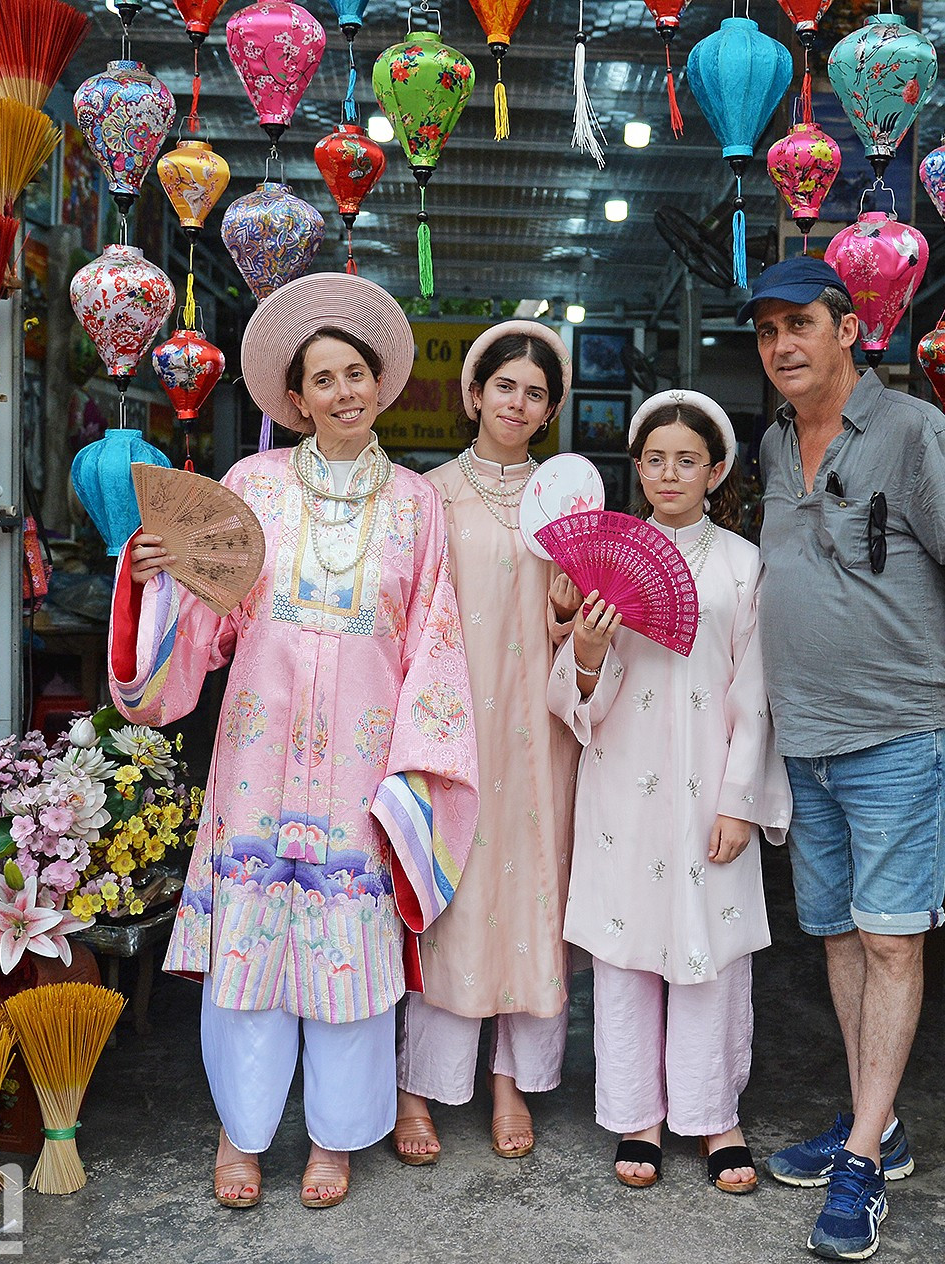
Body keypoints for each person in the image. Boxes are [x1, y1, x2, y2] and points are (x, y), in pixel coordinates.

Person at [109, 273, 479, 1211]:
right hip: (259, 759)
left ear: (381, 382)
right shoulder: (252, 489)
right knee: (251, 954)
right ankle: (242, 1133)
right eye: (324, 379)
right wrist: (150, 577)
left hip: (362, 765)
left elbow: (435, 641)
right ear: (297, 396)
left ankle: (334, 1136)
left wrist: (414, 772)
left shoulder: (415, 504)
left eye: (357, 372)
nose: (344, 391)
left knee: (350, 956)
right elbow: (207, 625)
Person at [741, 257, 945, 1260]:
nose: (782, 347)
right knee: (842, 941)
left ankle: (858, 1159)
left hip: (894, 735)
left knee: (891, 939)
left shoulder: (913, 432)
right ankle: (875, 1123)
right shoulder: (772, 446)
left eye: (800, 324)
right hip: (802, 737)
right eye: (767, 332)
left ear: (849, 329)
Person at [549, 390, 791, 1195]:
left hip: (707, 783)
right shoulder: (608, 561)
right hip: (623, 778)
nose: (668, 473)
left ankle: (715, 1113)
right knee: (625, 950)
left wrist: (738, 801)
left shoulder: (744, 565)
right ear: (637, 467)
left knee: (709, 949)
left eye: (687, 460)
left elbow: (753, 694)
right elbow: (582, 697)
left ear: (716, 470)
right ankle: (637, 1115)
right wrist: (586, 651)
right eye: (654, 460)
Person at [393, 322, 581, 1164]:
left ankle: (513, 1083)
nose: (518, 402)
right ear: (474, 394)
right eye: (505, 385)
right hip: (453, 726)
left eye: (536, 393)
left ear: (549, 412)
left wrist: (576, 600)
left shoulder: (571, 503)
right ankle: (420, 1088)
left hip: (539, 731)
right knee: (448, 893)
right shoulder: (426, 497)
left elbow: (572, 625)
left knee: (532, 891)